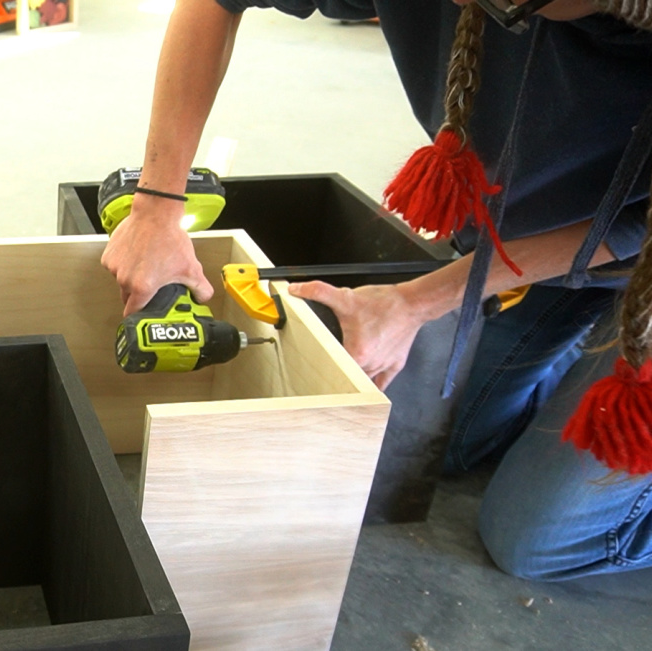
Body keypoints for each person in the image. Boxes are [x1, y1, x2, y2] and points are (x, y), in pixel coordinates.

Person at [101, 0, 652, 580]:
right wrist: (158, 204)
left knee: (534, 542)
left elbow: (632, 225)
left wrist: (415, 302)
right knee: (452, 445)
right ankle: (579, 332)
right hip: (540, 235)